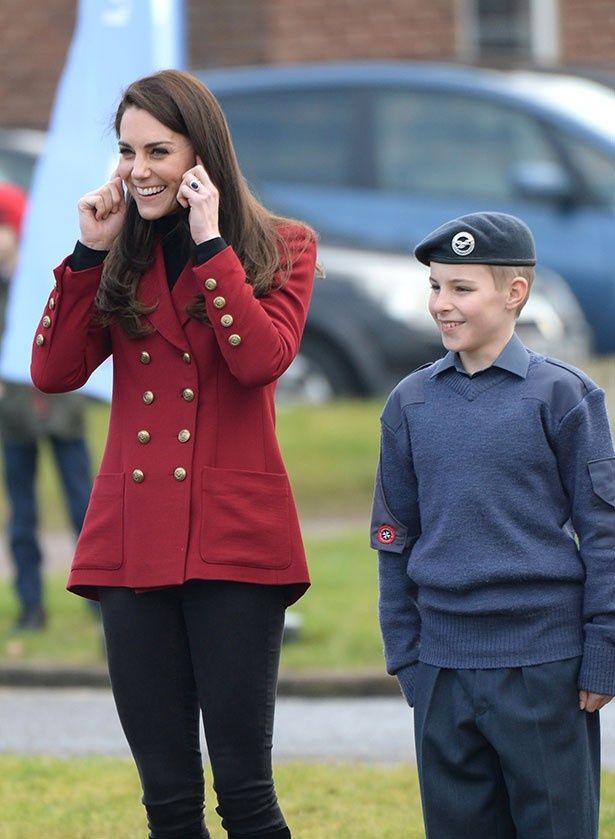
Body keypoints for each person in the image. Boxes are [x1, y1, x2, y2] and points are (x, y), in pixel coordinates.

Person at [30, 69, 316, 839]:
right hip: (133, 542)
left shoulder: (283, 245)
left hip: (234, 542)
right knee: (166, 799)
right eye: (127, 151)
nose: (139, 169)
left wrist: (210, 241)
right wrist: (88, 253)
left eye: (158, 150)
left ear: (201, 156)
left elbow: (260, 360)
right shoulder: (119, 252)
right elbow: (53, 372)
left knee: (246, 797)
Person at [370, 211, 615, 838]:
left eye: (461, 288)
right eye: (435, 288)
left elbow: (605, 534)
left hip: (545, 668)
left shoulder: (565, 397)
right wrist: (408, 660)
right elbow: (394, 538)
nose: (442, 305)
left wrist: (603, 653)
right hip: (442, 671)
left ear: (515, 293)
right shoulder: (410, 403)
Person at [0, 181, 92, 631]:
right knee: (22, 515)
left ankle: (100, 604)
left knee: (85, 508)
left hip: (62, 413)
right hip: (14, 417)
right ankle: (31, 606)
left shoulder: (43, 277)